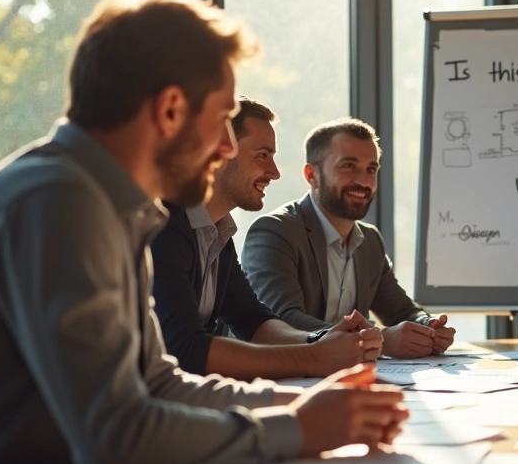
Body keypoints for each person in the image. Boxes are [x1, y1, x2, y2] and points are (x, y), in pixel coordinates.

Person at [0, 0, 407, 464]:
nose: (227, 147)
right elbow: (116, 437)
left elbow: (158, 385)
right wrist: (299, 428)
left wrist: (295, 407)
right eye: (223, 119)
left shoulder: (110, 206)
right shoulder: (58, 202)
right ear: (171, 109)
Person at [151, 97, 383, 380]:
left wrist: (321, 340)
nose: (274, 172)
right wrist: (313, 357)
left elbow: (253, 320)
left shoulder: (217, 234)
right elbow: (184, 350)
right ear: (219, 151)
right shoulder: (164, 225)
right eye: (262, 155)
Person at [243, 117, 455, 359]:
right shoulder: (274, 232)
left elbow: (401, 312)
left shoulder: (370, 241)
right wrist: (379, 341)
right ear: (312, 175)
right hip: (282, 381)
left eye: (371, 169)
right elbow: (282, 322)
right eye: (348, 166)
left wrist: (429, 327)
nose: (364, 181)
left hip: (345, 380)